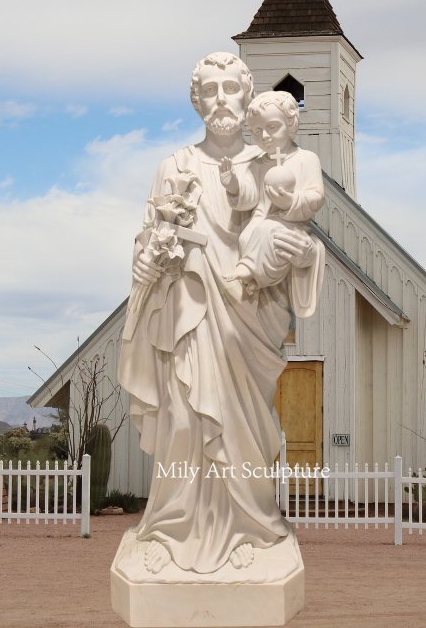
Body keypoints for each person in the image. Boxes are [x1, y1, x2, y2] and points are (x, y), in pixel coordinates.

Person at [118, 52, 324, 575]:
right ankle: (172, 524)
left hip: (247, 317)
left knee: (244, 427)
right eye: (208, 91)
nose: (220, 101)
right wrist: (147, 252)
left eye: (231, 88)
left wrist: (288, 259)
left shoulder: (270, 161)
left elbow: (294, 231)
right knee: (185, 420)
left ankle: (251, 526)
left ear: (247, 94)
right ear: (196, 101)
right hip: (188, 311)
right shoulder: (176, 166)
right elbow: (152, 231)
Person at [220, 90, 324, 308]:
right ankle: (254, 281)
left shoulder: (306, 159)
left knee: (267, 231)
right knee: (246, 237)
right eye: (257, 131)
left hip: (291, 223)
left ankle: (248, 270)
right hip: (260, 218)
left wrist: (291, 202)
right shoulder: (256, 164)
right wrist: (233, 185)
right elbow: (249, 197)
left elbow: (316, 195)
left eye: (272, 127)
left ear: (291, 124)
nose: (265, 136)